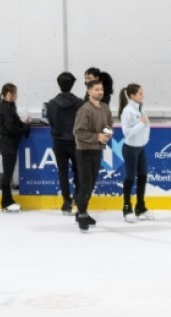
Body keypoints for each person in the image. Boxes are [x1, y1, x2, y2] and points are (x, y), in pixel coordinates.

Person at [72, 79, 113, 232]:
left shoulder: (105, 108)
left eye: (101, 89)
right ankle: (82, 213)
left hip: (96, 151)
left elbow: (109, 124)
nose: (100, 92)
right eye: (96, 89)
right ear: (89, 92)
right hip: (84, 151)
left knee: (91, 184)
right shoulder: (85, 110)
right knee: (85, 184)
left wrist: (106, 135)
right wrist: (96, 137)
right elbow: (78, 131)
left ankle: (82, 211)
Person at [46, 72, 84, 215]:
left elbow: (50, 121)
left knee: (62, 172)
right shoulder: (80, 103)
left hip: (59, 142)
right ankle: (77, 200)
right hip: (75, 142)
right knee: (78, 172)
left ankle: (66, 202)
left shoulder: (51, 104)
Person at [117, 83, 154, 222]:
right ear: (132, 95)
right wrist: (141, 124)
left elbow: (146, 126)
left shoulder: (141, 108)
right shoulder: (127, 111)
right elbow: (127, 133)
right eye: (140, 93)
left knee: (143, 176)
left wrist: (145, 137)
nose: (142, 95)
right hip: (130, 148)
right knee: (130, 177)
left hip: (140, 148)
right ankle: (127, 207)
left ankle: (140, 206)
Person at [0, 83, 30, 212]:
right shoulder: (6, 108)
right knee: (7, 174)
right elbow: (12, 128)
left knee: (8, 173)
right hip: (7, 144)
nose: (17, 96)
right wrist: (24, 127)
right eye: (15, 93)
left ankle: (8, 201)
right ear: (9, 94)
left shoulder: (8, 107)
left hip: (9, 143)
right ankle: (6, 202)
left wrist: (22, 123)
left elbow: (13, 123)